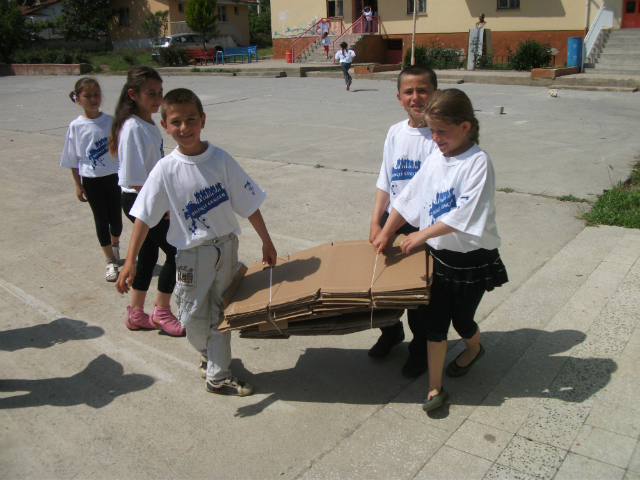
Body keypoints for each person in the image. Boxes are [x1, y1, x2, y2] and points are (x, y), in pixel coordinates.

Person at [116, 88, 277, 396]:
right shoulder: (165, 170)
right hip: (191, 257)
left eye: (191, 119)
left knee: (219, 314)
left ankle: (217, 375)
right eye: (176, 122)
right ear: (165, 126)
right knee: (191, 316)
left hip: (226, 249)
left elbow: (248, 202)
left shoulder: (220, 160)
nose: (184, 128)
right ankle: (210, 354)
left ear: (203, 120)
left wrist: (266, 241)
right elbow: (144, 217)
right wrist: (129, 261)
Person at [373, 89, 508, 412]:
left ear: (465, 126)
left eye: (441, 131)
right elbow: (409, 196)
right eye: (431, 130)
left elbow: (464, 214)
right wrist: (387, 229)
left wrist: (421, 235)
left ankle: (474, 349)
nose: (434, 138)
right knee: (436, 324)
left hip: (473, 260)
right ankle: (434, 388)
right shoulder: (436, 157)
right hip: (440, 258)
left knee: (462, 322)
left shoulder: (477, 163)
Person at [368, 65, 439, 378]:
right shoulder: (395, 132)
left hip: (423, 227)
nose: (416, 97)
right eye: (409, 91)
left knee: (420, 295)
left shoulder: (438, 138)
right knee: (382, 283)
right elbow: (386, 178)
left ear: (434, 93)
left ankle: (420, 348)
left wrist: (390, 226)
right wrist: (376, 221)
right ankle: (390, 330)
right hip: (390, 221)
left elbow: (420, 190)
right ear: (398, 97)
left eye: (422, 90)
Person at [108, 66, 184, 337]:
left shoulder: (147, 123)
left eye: (160, 93)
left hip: (146, 198)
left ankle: (136, 313)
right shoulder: (132, 128)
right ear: (133, 94)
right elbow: (134, 177)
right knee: (176, 252)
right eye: (150, 93)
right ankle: (161, 313)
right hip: (140, 199)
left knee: (150, 254)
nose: (157, 98)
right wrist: (161, 206)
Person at [60, 77, 122, 283]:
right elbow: (72, 158)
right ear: (78, 99)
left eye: (97, 94)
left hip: (113, 178)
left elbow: (122, 151)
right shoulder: (76, 126)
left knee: (117, 222)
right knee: (101, 220)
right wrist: (78, 185)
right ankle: (110, 261)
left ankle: (115, 246)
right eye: (88, 96)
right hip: (91, 180)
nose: (93, 99)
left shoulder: (111, 122)